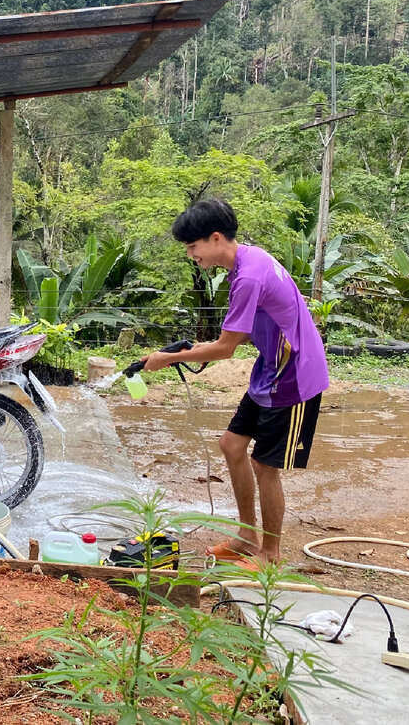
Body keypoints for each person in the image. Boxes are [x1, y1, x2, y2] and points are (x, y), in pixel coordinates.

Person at [139, 198, 328, 567]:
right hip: (269, 370)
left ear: (214, 238)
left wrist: (170, 358)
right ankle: (246, 536)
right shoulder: (247, 261)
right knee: (230, 445)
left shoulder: (247, 276)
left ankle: (269, 554)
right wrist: (194, 349)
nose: (191, 255)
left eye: (193, 247)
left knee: (264, 466)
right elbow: (238, 335)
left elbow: (226, 349)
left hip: (293, 376)